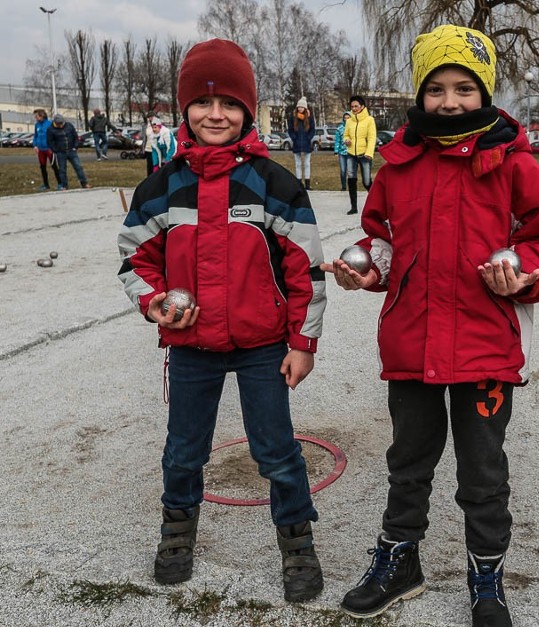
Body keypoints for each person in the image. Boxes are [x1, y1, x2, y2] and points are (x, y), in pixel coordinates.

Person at [322, 24, 539, 626]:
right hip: (411, 345)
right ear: (420, 93)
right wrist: (366, 270)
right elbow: (382, 241)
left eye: (465, 88)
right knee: (407, 462)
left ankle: (486, 574)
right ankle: (399, 560)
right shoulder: (398, 166)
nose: (450, 101)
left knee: (483, 473)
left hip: (485, 351)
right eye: (436, 89)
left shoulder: (512, 163)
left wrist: (526, 273)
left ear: (484, 92)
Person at [116, 38, 327, 601]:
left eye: (230, 104)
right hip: (191, 347)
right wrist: (153, 299)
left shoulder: (276, 185)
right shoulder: (160, 187)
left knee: (276, 449)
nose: (217, 115)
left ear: (248, 112)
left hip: (263, 345)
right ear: (184, 110)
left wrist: (303, 341)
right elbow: (133, 259)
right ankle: (177, 533)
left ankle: (297, 543)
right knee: (184, 449)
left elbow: (307, 268)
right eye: (204, 103)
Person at [343, 94, 376, 214]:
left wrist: (369, 153)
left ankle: (377, 204)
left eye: (356, 106)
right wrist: (346, 140)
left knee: (367, 182)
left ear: (362, 107)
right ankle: (354, 207)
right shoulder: (349, 121)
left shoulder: (369, 120)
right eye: (352, 106)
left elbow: (372, 138)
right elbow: (345, 135)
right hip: (351, 154)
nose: (354, 109)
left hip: (364, 155)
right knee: (351, 179)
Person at [46, 114, 91, 190]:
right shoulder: (50, 129)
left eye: (61, 123)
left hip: (71, 150)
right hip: (61, 152)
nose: (60, 125)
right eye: (58, 124)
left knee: (78, 167)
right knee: (62, 170)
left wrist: (75, 146)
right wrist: (56, 150)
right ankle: (64, 185)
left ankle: (84, 183)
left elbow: (75, 137)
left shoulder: (69, 126)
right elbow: (50, 142)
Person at [287, 97, 315, 190]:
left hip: (306, 143)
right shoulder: (292, 118)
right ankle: (298, 183)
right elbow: (290, 130)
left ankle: (307, 184)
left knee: (307, 164)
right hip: (297, 143)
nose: (300, 109)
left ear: (305, 108)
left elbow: (312, 130)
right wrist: (294, 138)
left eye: (302, 107)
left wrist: (308, 138)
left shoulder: (310, 118)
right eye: (298, 107)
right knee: (298, 164)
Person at [32, 108, 61, 191]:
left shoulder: (50, 124)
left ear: (42, 116)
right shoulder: (37, 125)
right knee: (42, 167)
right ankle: (46, 184)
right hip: (40, 150)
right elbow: (36, 135)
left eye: (37, 116)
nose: (35, 118)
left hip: (49, 149)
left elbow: (54, 136)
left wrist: (53, 147)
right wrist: (35, 145)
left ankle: (60, 183)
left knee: (54, 166)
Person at [334, 111, 351, 191]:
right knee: (343, 170)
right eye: (345, 118)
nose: (347, 119)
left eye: (348, 118)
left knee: (351, 171)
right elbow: (337, 140)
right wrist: (336, 151)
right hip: (342, 153)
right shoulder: (340, 128)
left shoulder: (353, 127)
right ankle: (343, 186)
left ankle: (352, 186)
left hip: (351, 152)